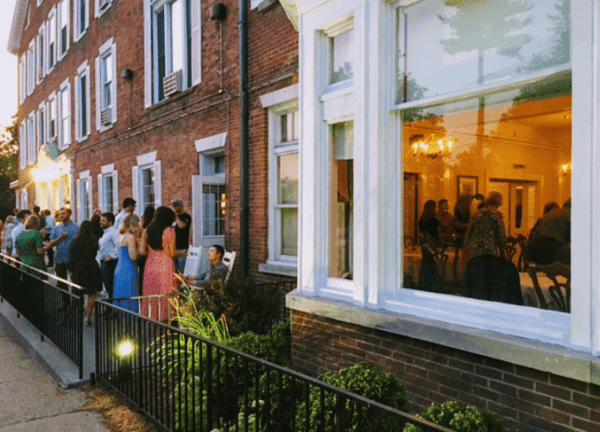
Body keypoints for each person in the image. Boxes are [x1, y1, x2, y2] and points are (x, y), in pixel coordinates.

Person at [140, 206, 177, 321]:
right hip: (165, 264)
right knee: (165, 294)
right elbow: (172, 253)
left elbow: (142, 251)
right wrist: (182, 254)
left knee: (152, 293)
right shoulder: (169, 231)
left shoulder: (146, 230)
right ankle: (165, 325)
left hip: (150, 264)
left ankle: (153, 321)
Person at [68, 221, 103, 326]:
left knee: (77, 292)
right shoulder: (94, 240)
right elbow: (96, 252)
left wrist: (71, 271)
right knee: (92, 293)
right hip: (92, 266)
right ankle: (88, 316)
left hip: (79, 267)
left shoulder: (75, 241)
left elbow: (71, 259)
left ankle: (69, 315)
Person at [50, 208, 79, 308]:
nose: (61, 216)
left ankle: (76, 302)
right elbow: (51, 242)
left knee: (75, 281)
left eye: (63, 213)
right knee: (61, 282)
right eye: (60, 214)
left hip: (72, 258)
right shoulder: (57, 228)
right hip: (59, 258)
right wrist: (60, 238)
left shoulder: (76, 228)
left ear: (69, 214)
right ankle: (66, 302)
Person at [464, 191, 507, 260]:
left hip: (475, 249)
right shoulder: (497, 215)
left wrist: (467, 246)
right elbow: (501, 234)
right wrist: (503, 249)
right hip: (490, 249)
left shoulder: (477, 213)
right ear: (498, 202)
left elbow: (469, 231)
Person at [528, 199, 571, 265]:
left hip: (536, 246)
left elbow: (534, 234)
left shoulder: (548, 214)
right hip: (554, 248)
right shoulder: (569, 214)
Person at [113, 214, 140, 312]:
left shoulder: (121, 235)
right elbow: (133, 256)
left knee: (121, 295)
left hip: (120, 268)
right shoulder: (131, 237)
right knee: (129, 295)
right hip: (129, 269)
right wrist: (140, 246)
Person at [97, 212, 119, 298]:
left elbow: (118, 245)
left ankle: (111, 310)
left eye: (103, 220)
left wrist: (112, 257)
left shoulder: (113, 232)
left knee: (110, 288)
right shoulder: (106, 232)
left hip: (110, 264)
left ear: (110, 222)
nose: (100, 222)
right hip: (103, 262)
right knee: (107, 288)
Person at [171, 199, 191, 273]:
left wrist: (175, 216)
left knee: (182, 271)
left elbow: (182, 226)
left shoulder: (186, 216)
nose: (174, 208)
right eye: (173, 206)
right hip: (173, 247)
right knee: (174, 271)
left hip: (182, 247)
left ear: (181, 206)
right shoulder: (174, 218)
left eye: (176, 206)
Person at [138, 206, 155, 294]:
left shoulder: (143, 227)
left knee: (143, 279)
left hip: (144, 257)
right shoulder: (154, 228)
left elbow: (142, 250)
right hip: (153, 256)